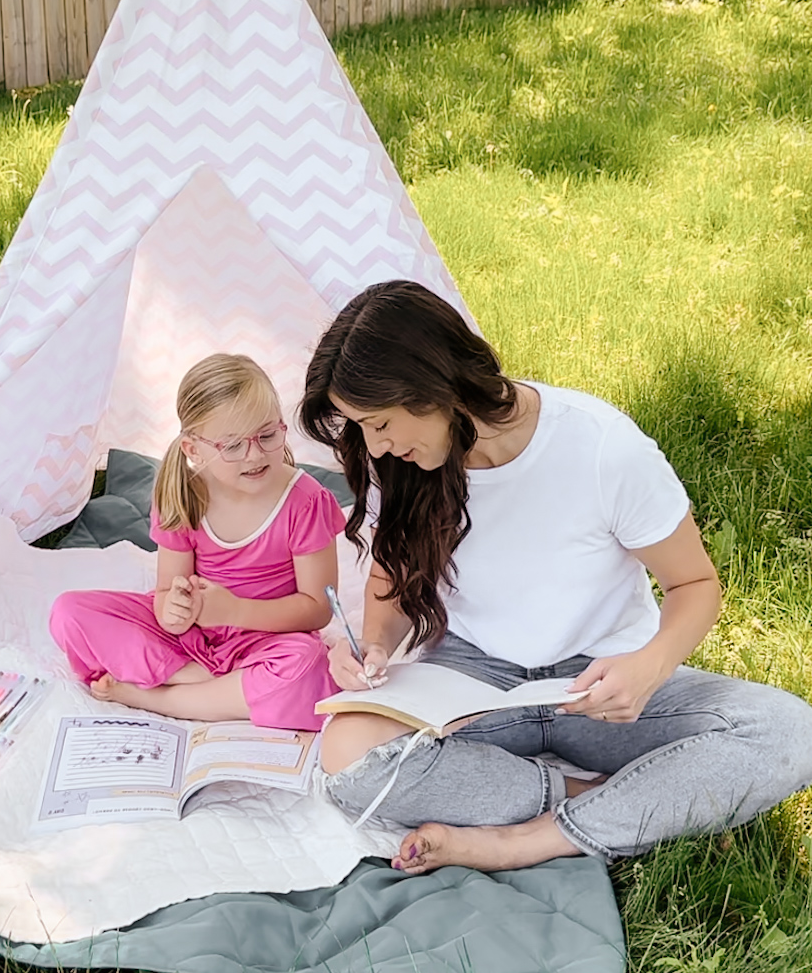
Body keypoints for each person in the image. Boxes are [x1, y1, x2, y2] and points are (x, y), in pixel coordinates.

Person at [299, 280, 812, 873]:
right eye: (359, 426)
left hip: (598, 686)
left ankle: (524, 841)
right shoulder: (406, 463)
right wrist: (378, 644)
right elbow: (393, 571)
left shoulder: (600, 448)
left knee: (788, 731)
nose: (374, 444)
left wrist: (649, 666)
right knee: (349, 754)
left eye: (379, 422)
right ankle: (592, 801)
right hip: (479, 685)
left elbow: (695, 585)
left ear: (433, 386)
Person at [50, 353, 347, 730]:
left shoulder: (305, 501)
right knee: (68, 613)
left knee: (306, 664)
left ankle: (156, 697)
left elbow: (318, 609)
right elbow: (164, 596)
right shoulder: (182, 496)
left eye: (268, 436)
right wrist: (174, 610)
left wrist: (234, 611)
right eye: (233, 446)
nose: (254, 455)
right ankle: (216, 687)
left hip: (269, 639)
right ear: (194, 450)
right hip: (194, 642)